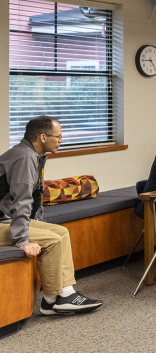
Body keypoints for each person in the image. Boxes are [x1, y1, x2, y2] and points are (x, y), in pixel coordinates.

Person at [0, 116, 103, 315]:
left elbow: (34, 198)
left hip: (6, 219)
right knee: (53, 240)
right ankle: (56, 298)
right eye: (59, 136)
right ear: (43, 137)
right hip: (3, 222)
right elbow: (22, 201)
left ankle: (59, 296)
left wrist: (37, 225)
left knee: (61, 232)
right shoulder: (24, 157)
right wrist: (22, 240)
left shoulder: (33, 155)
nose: (61, 140)